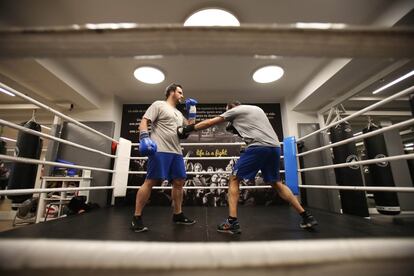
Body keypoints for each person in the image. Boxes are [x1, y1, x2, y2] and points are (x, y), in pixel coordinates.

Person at [178, 101, 318, 234]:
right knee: (276, 183)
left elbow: (210, 122)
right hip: (274, 147)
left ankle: (232, 222)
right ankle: (307, 216)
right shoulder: (257, 109)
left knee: (234, 179)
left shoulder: (234, 111)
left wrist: (188, 128)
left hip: (258, 147)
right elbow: (257, 131)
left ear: (230, 108)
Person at [131, 83, 197, 232]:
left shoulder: (179, 114)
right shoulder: (158, 105)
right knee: (151, 181)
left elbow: (188, 130)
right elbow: (144, 122)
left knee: (179, 182)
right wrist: (144, 137)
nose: (182, 95)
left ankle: (177, 214)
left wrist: (192, 112)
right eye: (180, 92)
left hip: (176, 152)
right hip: (160, 149)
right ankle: (137, 217)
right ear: (172, 92)